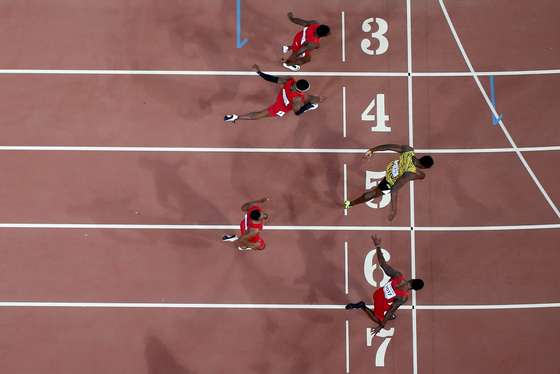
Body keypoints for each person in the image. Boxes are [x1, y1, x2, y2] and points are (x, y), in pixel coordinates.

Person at [346, 235, 424, 334]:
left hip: (377, 293)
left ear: (412, 279)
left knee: (390, 314)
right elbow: (391, 310)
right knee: (379, 318)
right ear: (414, 289)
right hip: (380, 302)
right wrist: (381, 326)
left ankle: (377, 312)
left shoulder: (397, 276)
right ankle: (362, 306)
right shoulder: (403, 297)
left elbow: (383, 264)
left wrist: (378, 246)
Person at [344, 144, 434, 221]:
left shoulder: (408, 151)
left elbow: (388, 147)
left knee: (422, 176)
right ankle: (350, 204)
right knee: (372, 194)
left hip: (392, 167)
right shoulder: (409, 173)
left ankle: (351, 203)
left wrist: (372, 150)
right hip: (390, 181)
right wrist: (394, 209)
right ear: (423, 167)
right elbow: (394, 189)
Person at [224, 65, 324, 123]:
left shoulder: (289, 80)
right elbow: (297, 112)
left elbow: (272, 79)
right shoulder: (297, 99)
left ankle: (235, 117)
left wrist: (260, 72)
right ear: (302, 91)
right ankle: (236, 117)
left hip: (281, 97)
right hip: (280, 108)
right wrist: (308, 106)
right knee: (260, 115)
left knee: (312, 99)